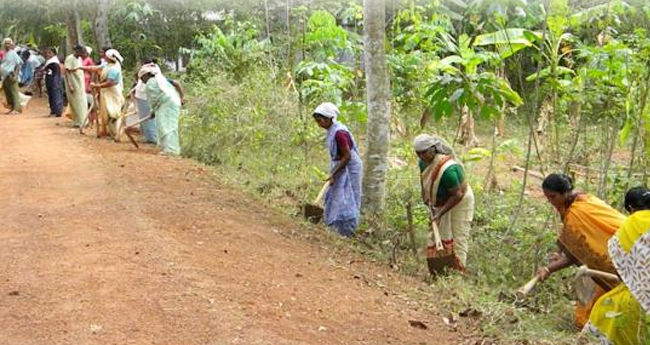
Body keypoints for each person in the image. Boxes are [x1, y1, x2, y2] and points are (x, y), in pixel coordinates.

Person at [537, 173, 624, 328]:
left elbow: (572, 255)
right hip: (625, 247)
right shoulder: (584, 198)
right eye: (547, 198)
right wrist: (558, 251)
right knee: (588, 313)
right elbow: (570, 234)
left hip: (621, 255)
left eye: (553, 197)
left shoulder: (576, 212)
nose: (550, 202)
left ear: (564, 193)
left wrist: (548, 269)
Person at [585, 187, 650, 345]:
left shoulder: (631, 224)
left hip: (643, 297)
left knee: (604, 310)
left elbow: (621, 271)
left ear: (631, 209)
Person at [413, 134, 474, 271]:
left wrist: (439, 213)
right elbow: (424, 178)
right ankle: (441, 271)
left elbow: (457, 195)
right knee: (438, 235)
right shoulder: (423, 163)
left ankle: (458, 272)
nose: (422, 156)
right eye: (419, 153)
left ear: (433, 149)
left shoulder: (448, 169)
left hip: (461, 201)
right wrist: (425, 195)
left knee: (459, 235)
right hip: (443, 201)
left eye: (425, 152)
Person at [312, 102, 363, 237]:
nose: (319, 124)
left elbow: (347, 156)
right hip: (340, 165)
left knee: (349, 197)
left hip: (350, 166)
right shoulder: (331, 131)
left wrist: (333, 173)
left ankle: (347, 230)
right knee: (335, 194)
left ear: (329, 118)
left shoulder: (340, 133)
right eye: (317, 121)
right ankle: (334, 226)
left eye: (320, 120)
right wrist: (333, 173)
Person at [80, 48, 124, 137]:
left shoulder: (114, 68)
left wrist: (97, 86)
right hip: (106, 92)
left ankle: (116, 132)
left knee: (113, 112)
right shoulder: (107, 65)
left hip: (112, 92)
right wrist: (81, 67)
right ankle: (108, 131)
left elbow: (110, 83)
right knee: (105, 112)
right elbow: (95, 68)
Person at [138, 64, 181, 155]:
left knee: (166, 126)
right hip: (172, 103)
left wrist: (152, 111)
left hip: (167, 104)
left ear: (146, 75)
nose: (142, 81)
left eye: (142, 78)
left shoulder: (150, 83)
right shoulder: (160, 79)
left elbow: (154, 99)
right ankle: (168, 148)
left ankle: (171, 150)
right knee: (168, 125)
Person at [63, 45, 88, 128]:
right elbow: (66, 72)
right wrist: (70, 84)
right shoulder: (70, 58)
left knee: (82, 101)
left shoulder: (80, 59)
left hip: (80, 82)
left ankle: (83, 120)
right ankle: (79, 121)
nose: (83, 54)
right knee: (76, 102)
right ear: (77, 51)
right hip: (73, 82)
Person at [1, 38, 23, 114]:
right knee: (8, 92)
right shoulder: (3, 53)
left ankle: (16, 109)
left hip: (11, 74)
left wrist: (16, 75)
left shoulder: (13, 53)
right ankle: (12, 107)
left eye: (8, 43)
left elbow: (19, 64)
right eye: (6, 43)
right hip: (4, 75)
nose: (7, 45)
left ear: (11, 44)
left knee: (14, 92)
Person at [43, 47, 64, 117]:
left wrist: (55, 82)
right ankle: (53, 110)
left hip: (53, 81)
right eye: (47, 53)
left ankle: (57, 111)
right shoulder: (49, 61)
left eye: (50, 53)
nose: (48, 54)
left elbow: (56, 74)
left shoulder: (54, 62)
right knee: (51, 96)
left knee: (56, 96)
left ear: (54, 53)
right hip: (49, 81)